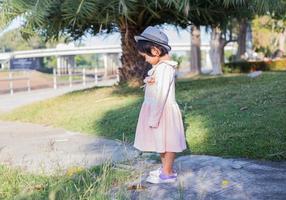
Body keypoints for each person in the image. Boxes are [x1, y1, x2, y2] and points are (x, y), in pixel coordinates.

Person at [133, 26, 187, 184]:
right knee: (161, 142)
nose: (145, 60)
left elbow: (162, 95)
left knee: (168, 142)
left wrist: (154, 117)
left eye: (145, 56)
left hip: (162, 112)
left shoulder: (165, 69)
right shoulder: (159, 68)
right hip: (158, 111)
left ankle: (168, 173)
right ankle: (165, 169)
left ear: (155, 51)